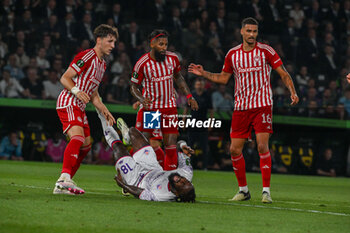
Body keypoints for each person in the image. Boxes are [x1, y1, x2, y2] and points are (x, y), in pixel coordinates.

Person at [188, 17, 299, 203]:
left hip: (262, 105)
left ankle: (266, 192)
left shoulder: (266, 51)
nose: (252, 35)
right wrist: (204, 73)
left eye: (254, 31)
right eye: (248, 31)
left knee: (262, 146)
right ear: (241, 32)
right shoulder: (232, 54)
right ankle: (244, 190)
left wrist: (293, 92)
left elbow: (283, 73)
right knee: (234, 150)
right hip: (241, 108)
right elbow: (224, 79)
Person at [53, 24, 118, 195]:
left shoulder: (102, 65)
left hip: (80, 106)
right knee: (78, 138)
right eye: (110, 41)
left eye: (114, 42)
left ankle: (64, 183)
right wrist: (76, 90)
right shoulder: (87, 56)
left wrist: (106, 111)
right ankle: (64, 179)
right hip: (68, 101)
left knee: (86, 146)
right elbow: (65, 78)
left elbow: (94, 95)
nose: (113, 45)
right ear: (99, 40)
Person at [130, 29, 198, 171]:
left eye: (166, 44)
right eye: (161, 44)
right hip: (152, 109)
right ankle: (130, 174)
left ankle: (170, 181)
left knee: (171, 145)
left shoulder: (173, 58)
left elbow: (179, 77)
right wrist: (141, 99)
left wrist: (189, 96)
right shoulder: (142, 63)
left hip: (169, 108)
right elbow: (134, 87)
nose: (164, 48)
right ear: (152, 44)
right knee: (143, 144)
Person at [98, 110, 195, 202]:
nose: (182, 180)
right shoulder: (186, 172)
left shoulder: (161, 196)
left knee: (118, 147)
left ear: (176, 194)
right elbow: (177, 146)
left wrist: (123, 185)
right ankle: (127, 137)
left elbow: (139, 193)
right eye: (186, 182)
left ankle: (100, 113)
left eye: (182, 184)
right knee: (133, 131)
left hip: (136, 179)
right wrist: (183, 145)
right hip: (152, 166)